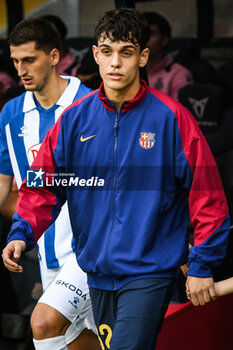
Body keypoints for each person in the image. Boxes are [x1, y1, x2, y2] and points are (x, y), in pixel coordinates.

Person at [2, 8, 230, 350]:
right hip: (95, 271)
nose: (115, 63)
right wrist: (22, 233)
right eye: (107, 52)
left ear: (143, 56)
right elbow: (42, 186)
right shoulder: (74, 120)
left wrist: (202, 264)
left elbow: (208, 197)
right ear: (95, 54)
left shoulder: (172, 118)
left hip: (148, 272)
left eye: (126, 52)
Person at [0, 18, 100, 350]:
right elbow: (4, 183)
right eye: (15, 61)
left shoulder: (90, 105)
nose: (21, 69)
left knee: (43, 324)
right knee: (71, 337)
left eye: (30, 60)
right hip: (47, 251)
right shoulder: (11, 113)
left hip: (94, 247)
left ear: (54, 56)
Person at [143, 11, 193, 100]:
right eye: (141, 34)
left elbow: (179, 112)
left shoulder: (178, 74)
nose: (144, 39)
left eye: (151, 34)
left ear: (164, 40)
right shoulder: (129, 71)